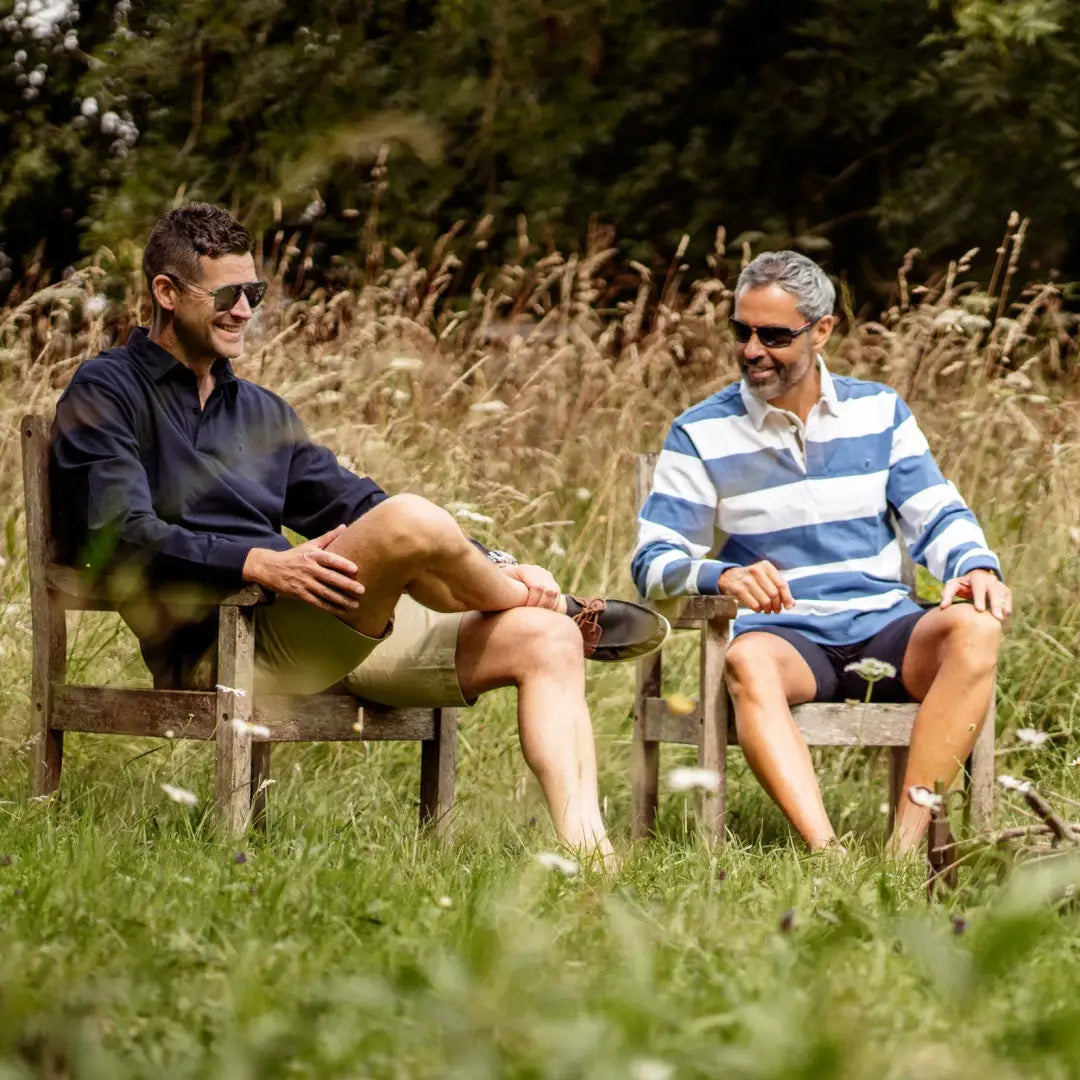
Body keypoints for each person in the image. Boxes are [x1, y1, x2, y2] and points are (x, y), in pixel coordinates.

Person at [52, 203, 670, 865]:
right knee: (411, 519)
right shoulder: (107, 391)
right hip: (222, 642)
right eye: (228, 294)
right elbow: (120, 536)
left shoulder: (261, 411)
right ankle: (527, 592)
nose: (244, 311)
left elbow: (356, 505)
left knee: (545, 638)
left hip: (323, 627)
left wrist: (483, 556)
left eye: (254, 294)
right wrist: (257, 562)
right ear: (166, 293)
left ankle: (592, 855)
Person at [632, 250, 1010, 856]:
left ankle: (903, 851)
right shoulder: (700, 433)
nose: (752, 349)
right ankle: (827, 854)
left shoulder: (880, 412)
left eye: (774, 334)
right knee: (746, 661)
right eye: (742, 331)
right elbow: (653, 562)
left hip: (888, 627)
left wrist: (975, 565)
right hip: (786, 638)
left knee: (977, 630)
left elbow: (936, 514)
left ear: (823, 330)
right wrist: (722, 576)